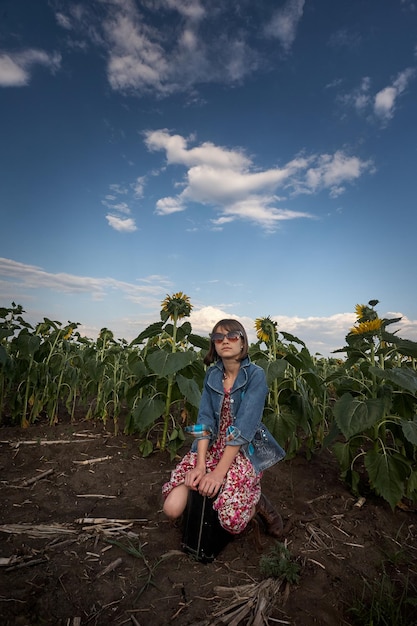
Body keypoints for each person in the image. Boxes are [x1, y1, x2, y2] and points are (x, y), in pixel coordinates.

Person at [162, 318, 285, 537]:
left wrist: (218, 473)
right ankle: (208, 501)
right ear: (214, 345)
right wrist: (200, 465)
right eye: (218, 337)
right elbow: (204, 421)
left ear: (242, 341)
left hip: (243, 450)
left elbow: (244, 428)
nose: (224, 341)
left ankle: (256, 502)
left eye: (232, 336)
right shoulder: (212, 375)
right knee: (171, 509)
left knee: (232, 522)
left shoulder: (255, 375)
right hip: (212, 445)